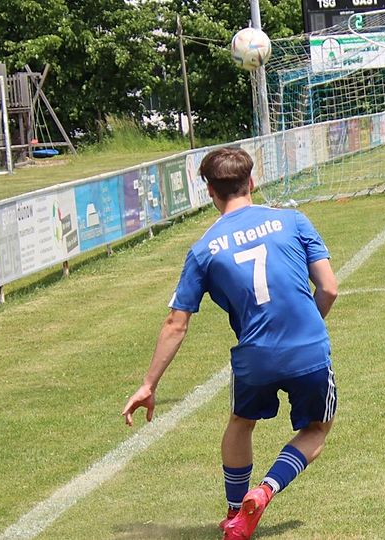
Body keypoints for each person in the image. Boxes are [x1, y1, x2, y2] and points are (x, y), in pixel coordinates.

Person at [121, 147, 339, 540]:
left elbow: (176, 324)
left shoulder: (203, 250)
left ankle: (236, 511)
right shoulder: (293, 220)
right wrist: (307, 329)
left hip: (254, 355)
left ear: (210, 192)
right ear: (251, 182)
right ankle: (265, 490)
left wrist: (149, 384)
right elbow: (329, 288)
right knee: (317, 428)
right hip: (307, 347)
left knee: (241, 423)